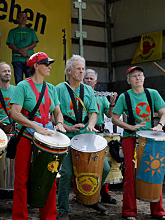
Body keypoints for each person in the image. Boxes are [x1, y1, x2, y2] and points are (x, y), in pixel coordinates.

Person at [11, 52, 66, 220]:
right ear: (35, 66)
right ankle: (20, 217)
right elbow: (14, 113)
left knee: (50, 179)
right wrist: (36, 127)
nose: (49, 67)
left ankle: (49, 217)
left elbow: (58, 112)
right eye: (46, 63)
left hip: (47, 140)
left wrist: (60, 123)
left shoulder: (51, 88)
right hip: (26, 138)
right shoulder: (22, 86)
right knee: (21, 181)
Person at [56, 55, 110, 220]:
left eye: (83, 69)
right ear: (69, 71)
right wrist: (68, 127)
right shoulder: (58, 88)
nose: (81, 72)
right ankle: (63, 209)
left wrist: (91, 125)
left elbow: (93, 113)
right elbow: (55, 115)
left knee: (105, 168)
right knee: (66, 173)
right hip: (67, 135)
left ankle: (90, 198)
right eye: (78, 69)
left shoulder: (87, 90)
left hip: (87, 135)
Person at [112, 66, 165, 220]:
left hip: (151, 138)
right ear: (129, 81)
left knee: (155, 171)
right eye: (134, 76)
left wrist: (160, 125)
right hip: (130, 137)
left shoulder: (152, 94)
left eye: (140, 75)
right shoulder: (124, 97)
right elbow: (115, 118)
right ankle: (129, 211)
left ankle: (158, 211)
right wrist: (130, 127)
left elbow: (163, 112)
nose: (138, 78)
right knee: (130, 172)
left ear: (144, 78)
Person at [83, 69, 118, 205]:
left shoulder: (102, 97)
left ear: (96, 81)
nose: (89, 80)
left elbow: (110, 115)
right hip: (85, 134)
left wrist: (112, 103)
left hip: (100, 134)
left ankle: (104, 193)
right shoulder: (80, 95)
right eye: (87, 78)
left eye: (92, 78)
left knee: (103, 164)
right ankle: (85, 193)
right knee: (88, 166)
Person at [6, 11, 39, 84]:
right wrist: (20, 51)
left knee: (31, 82)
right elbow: (10, 44)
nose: (24, 19)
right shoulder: (12, 31)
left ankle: (30, 95)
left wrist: (25, 49)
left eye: (25, 17)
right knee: (18, 82)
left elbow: (34, 43)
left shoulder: (31, 31)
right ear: (17, 19)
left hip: (29, 60)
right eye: (21, 17)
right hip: (17, 59)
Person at [0, 62, 15, 133]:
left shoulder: (16, 90)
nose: (7, 73)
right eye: (4, 71)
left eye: (9, 71)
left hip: (12, 130)